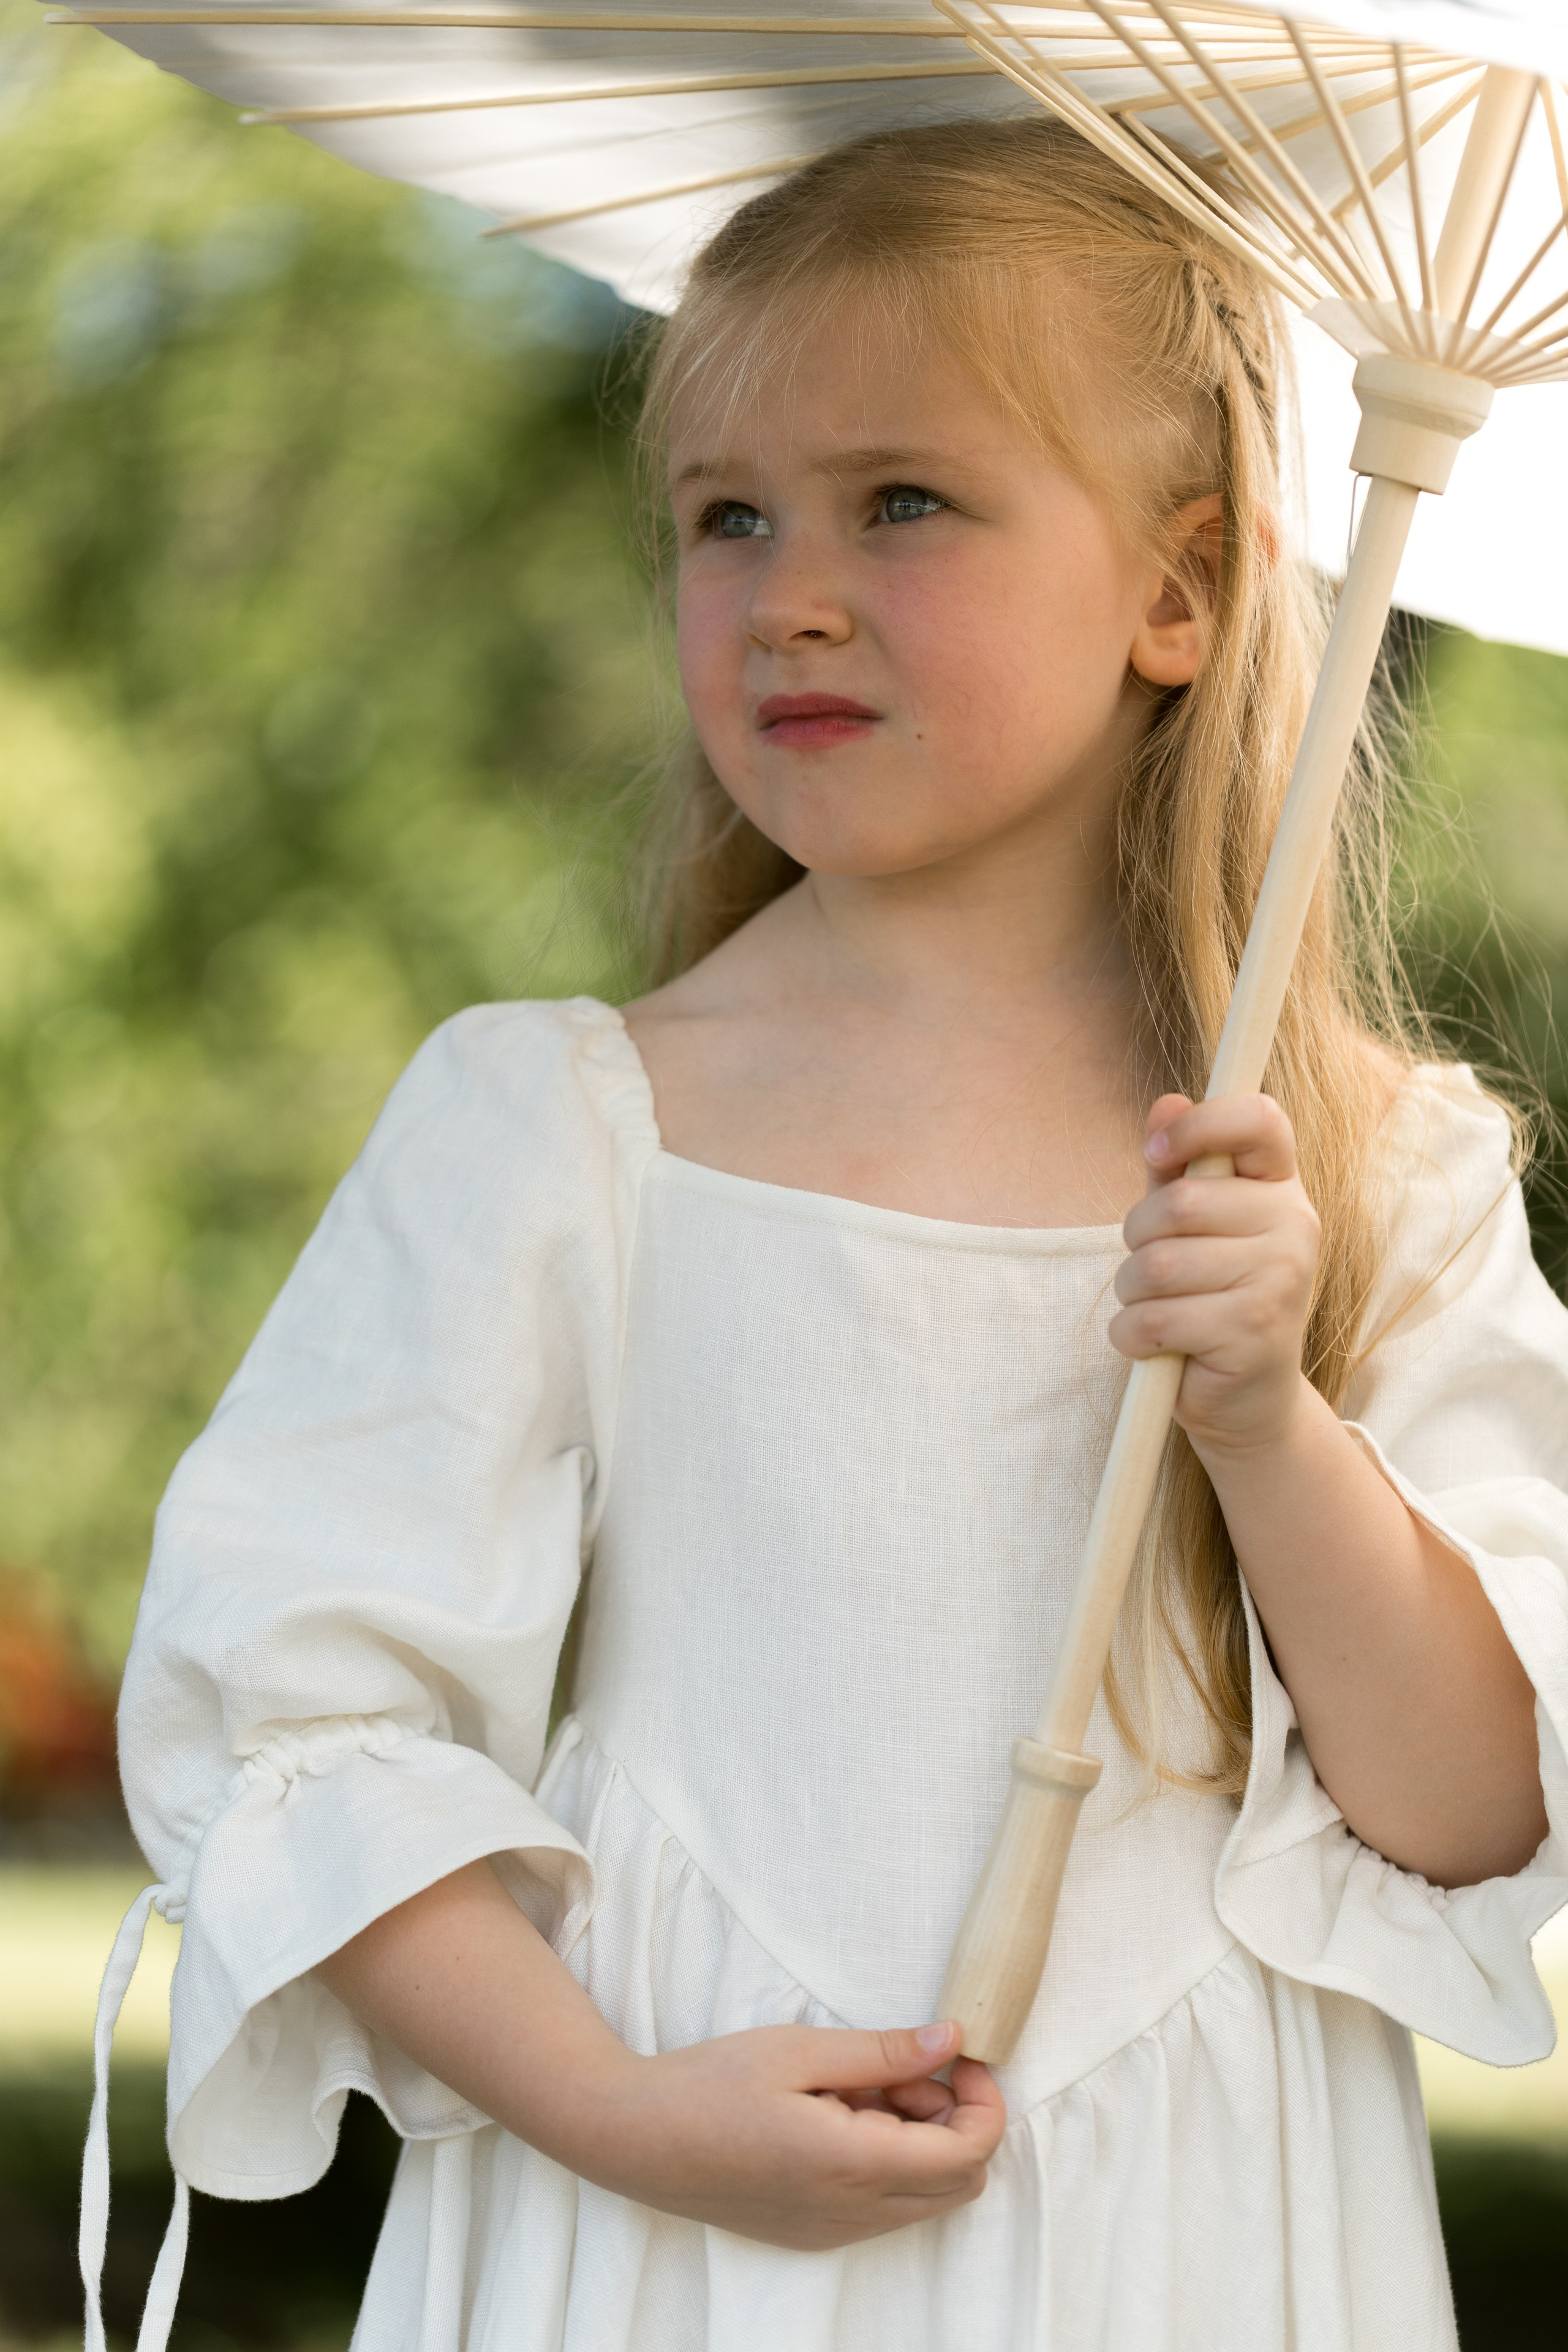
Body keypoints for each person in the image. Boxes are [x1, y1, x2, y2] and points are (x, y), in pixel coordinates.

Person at [90, 116, 1568, 2352]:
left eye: (903, 501)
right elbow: (311, 1722)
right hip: (670, 2222)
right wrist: (622, 2111)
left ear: (1181, 586)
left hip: (1193, 2234)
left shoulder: (1363, 1174)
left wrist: (1266, 1418)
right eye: (723, 517)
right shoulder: (563, 1128)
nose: (785, 584)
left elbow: (1472, 1808)